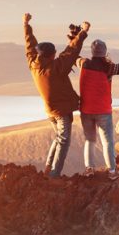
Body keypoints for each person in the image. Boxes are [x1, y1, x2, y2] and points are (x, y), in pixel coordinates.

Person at [23, 13, 89, 178]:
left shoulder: (33, 64)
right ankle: (54, 174)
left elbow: (30, 45)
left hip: (49, 111)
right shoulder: (56, 67)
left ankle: (48, 167)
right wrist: (83, 33)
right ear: (51, 55)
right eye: (54, 53)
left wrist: (26, 25)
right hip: (60, 111)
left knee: (58, 138)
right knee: (64, 140)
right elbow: (71, 52)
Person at [77, 38, 119, 180]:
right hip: (103, 110)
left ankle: (89, 169)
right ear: (104, 52)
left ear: (92, 52)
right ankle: (112, 171)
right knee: (108, 142)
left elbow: (74, 57)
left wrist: (74, 39)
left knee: (90, 140)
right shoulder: (109, 67)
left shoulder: (84, 63)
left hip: (86, 109)